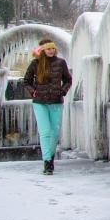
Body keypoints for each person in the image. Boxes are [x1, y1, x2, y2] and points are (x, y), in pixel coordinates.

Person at [23, 39, 72, 175]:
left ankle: (50, 157)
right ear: (43, 50)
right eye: (48, 49)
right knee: (45, 132)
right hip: (40, 102)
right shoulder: (35, 63)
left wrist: (63, 91)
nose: (51, 51)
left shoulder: (61, 63)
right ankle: (47, 162)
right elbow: (26, 80)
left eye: (53, 48)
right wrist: (33, 91)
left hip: (56, 101)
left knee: (55, 132)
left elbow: (68, 79)